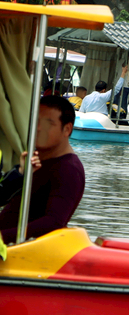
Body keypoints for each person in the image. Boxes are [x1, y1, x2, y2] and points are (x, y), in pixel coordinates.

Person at [0, 96, 86, 244]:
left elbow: (53, 223)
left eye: (49, 123)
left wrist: (2, 237)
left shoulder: (69, 169)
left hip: (18, 253)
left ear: (67, 129)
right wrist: (20, 172)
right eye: (36, 121)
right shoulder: (34, 161)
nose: (39, 128)